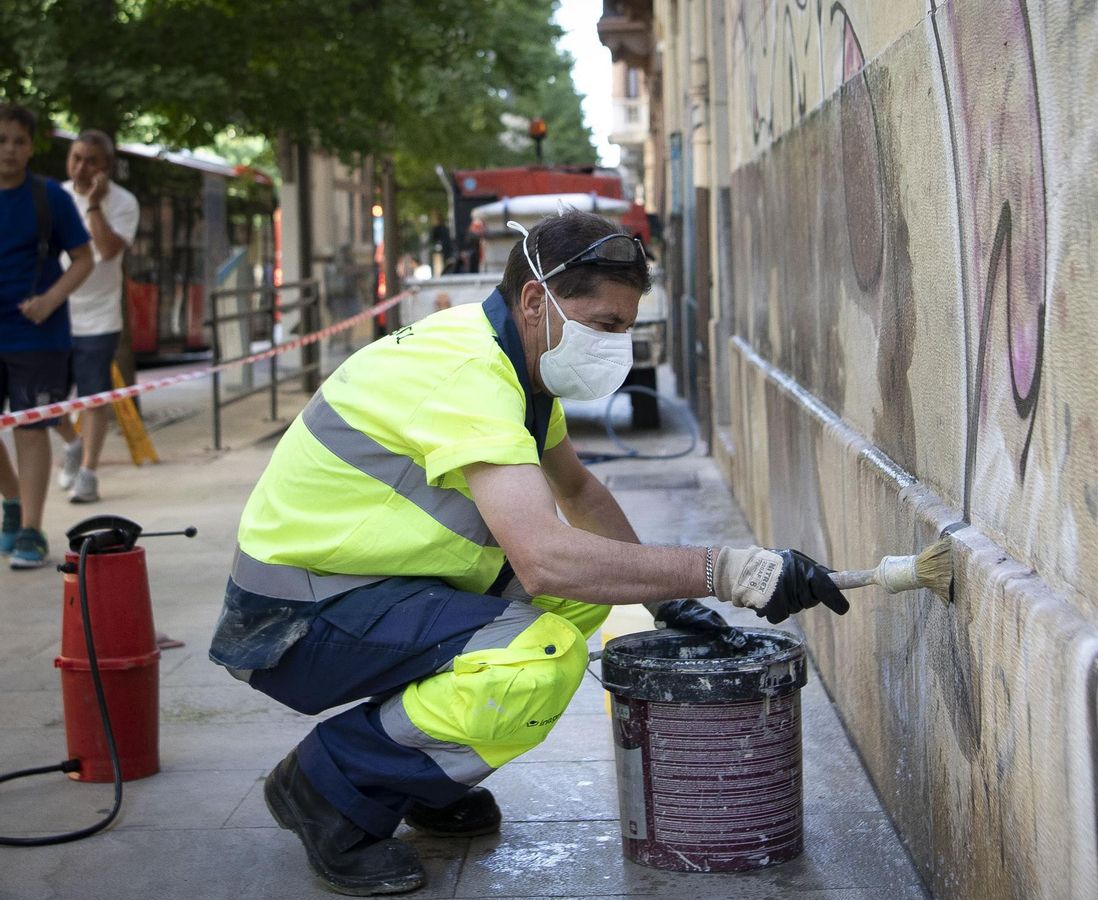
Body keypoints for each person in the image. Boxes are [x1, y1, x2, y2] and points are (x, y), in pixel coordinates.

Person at [208, 209, 849, 896]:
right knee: (539, 656)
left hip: (368, 588)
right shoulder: (469, 373)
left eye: (626, 327)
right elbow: (544, 558)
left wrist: (668, 601)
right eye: (604, 324)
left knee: (580, 596)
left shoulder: (521, 367)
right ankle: (330, 784)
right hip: (299, 619)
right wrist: (731, 570)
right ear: (537, 299)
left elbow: (578, 491)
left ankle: (414, 775)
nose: (617, 345)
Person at [0, 105, 92, 569]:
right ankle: (11, 500)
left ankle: (31, 531)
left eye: (18, 140)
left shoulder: (48, 197)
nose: (9, 150)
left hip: (36, 336)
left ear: (31, 147)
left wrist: (50, 300)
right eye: (1, 140)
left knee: (31, 429)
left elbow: (83, 258)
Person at [52, 129, 139, 504]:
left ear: (107, 167)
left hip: (99, 318)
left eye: (91, 161)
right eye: (76, 158)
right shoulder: (53, 195)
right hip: (54, 313)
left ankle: (88, 473)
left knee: (92, 399)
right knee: (40, 398)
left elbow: (105, 250)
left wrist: (93, 204)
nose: (81, 168)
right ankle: (72, 445)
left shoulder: (122, 202)